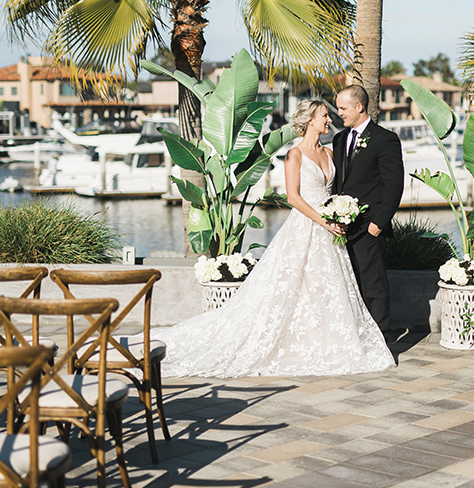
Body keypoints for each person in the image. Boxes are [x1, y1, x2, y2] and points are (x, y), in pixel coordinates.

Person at [155, 100, 396, 378]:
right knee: (293, 286)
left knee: (323, 288)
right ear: (310, 121)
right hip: (307, 226)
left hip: (331, 232)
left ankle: (323, 340)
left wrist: (340, 215)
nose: (329, 120)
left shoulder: (331, 152)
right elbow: (293, 197)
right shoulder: (294, 155)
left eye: (329, 115)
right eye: (324, 116)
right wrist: (324, 220)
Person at [332, 84, 405, 340]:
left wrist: (379, 222)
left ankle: (380, 340)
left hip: (369, 227)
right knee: (349, 285)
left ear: (359, 107)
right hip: (341, 227)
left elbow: (394, 186)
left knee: (373, 285)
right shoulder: (339, 139)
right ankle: (356, 337)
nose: (339, 112)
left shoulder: (385, 139)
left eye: (343, 108)